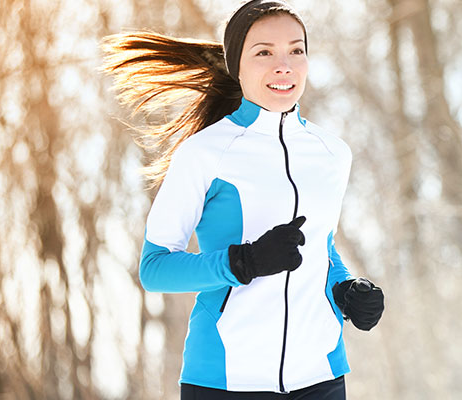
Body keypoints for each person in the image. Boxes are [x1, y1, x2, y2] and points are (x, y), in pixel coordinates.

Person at [101, 1, 385, 398]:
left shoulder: (332, 153)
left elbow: (321, 247)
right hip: (226, 380)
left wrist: (346, 290)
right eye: (264, 52)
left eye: (296, 50)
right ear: (237, 65)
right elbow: (155, 268)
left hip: (320, 378)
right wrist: (243, 262)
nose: (283, 65)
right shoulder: (205, 153)